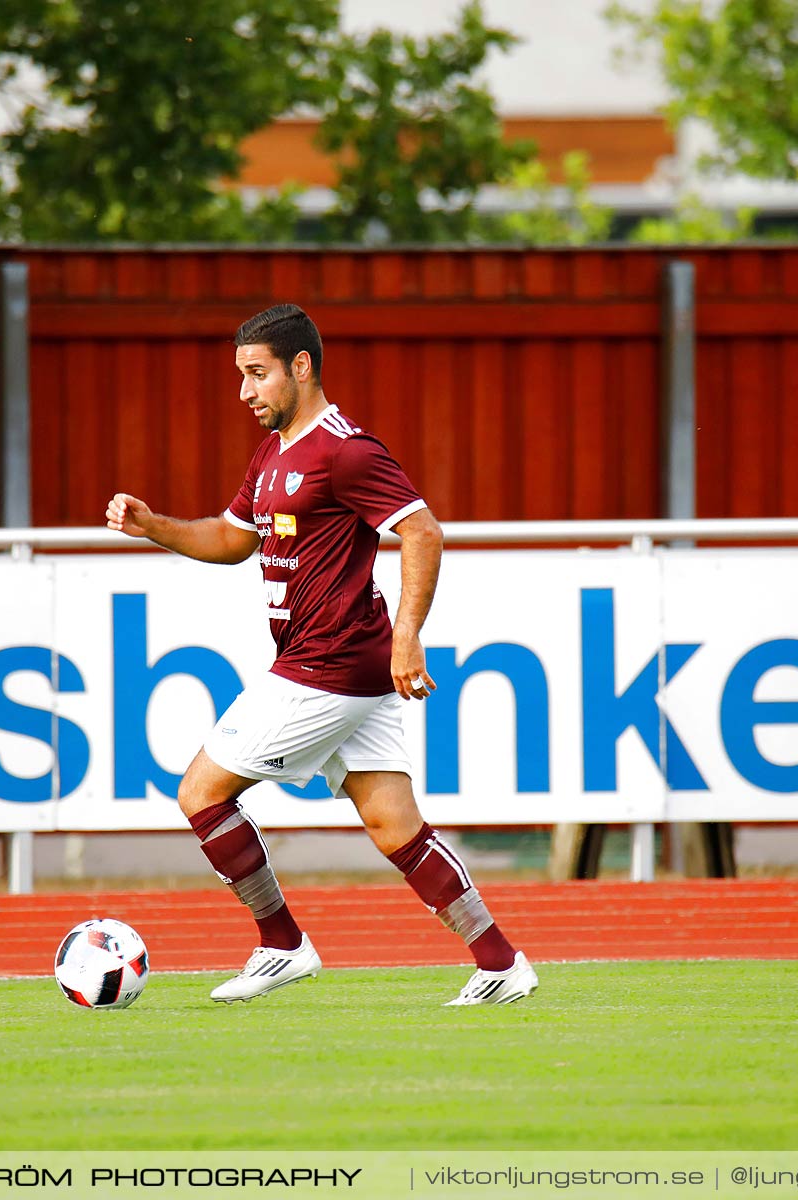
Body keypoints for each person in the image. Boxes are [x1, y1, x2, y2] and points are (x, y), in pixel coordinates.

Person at [105, 302, 539, 1004]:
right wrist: (155, 526)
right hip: (346, 664)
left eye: (256, 374)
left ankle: (283, 945)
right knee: (393, 823)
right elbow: (232, 538)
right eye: (241, 376)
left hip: (327, 664)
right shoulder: (274, 451)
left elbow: (422, 533)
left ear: (300, 367)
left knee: (201, 792)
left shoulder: (347, 449)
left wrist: (407, 636)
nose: (245, 391)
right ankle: (499, 962)